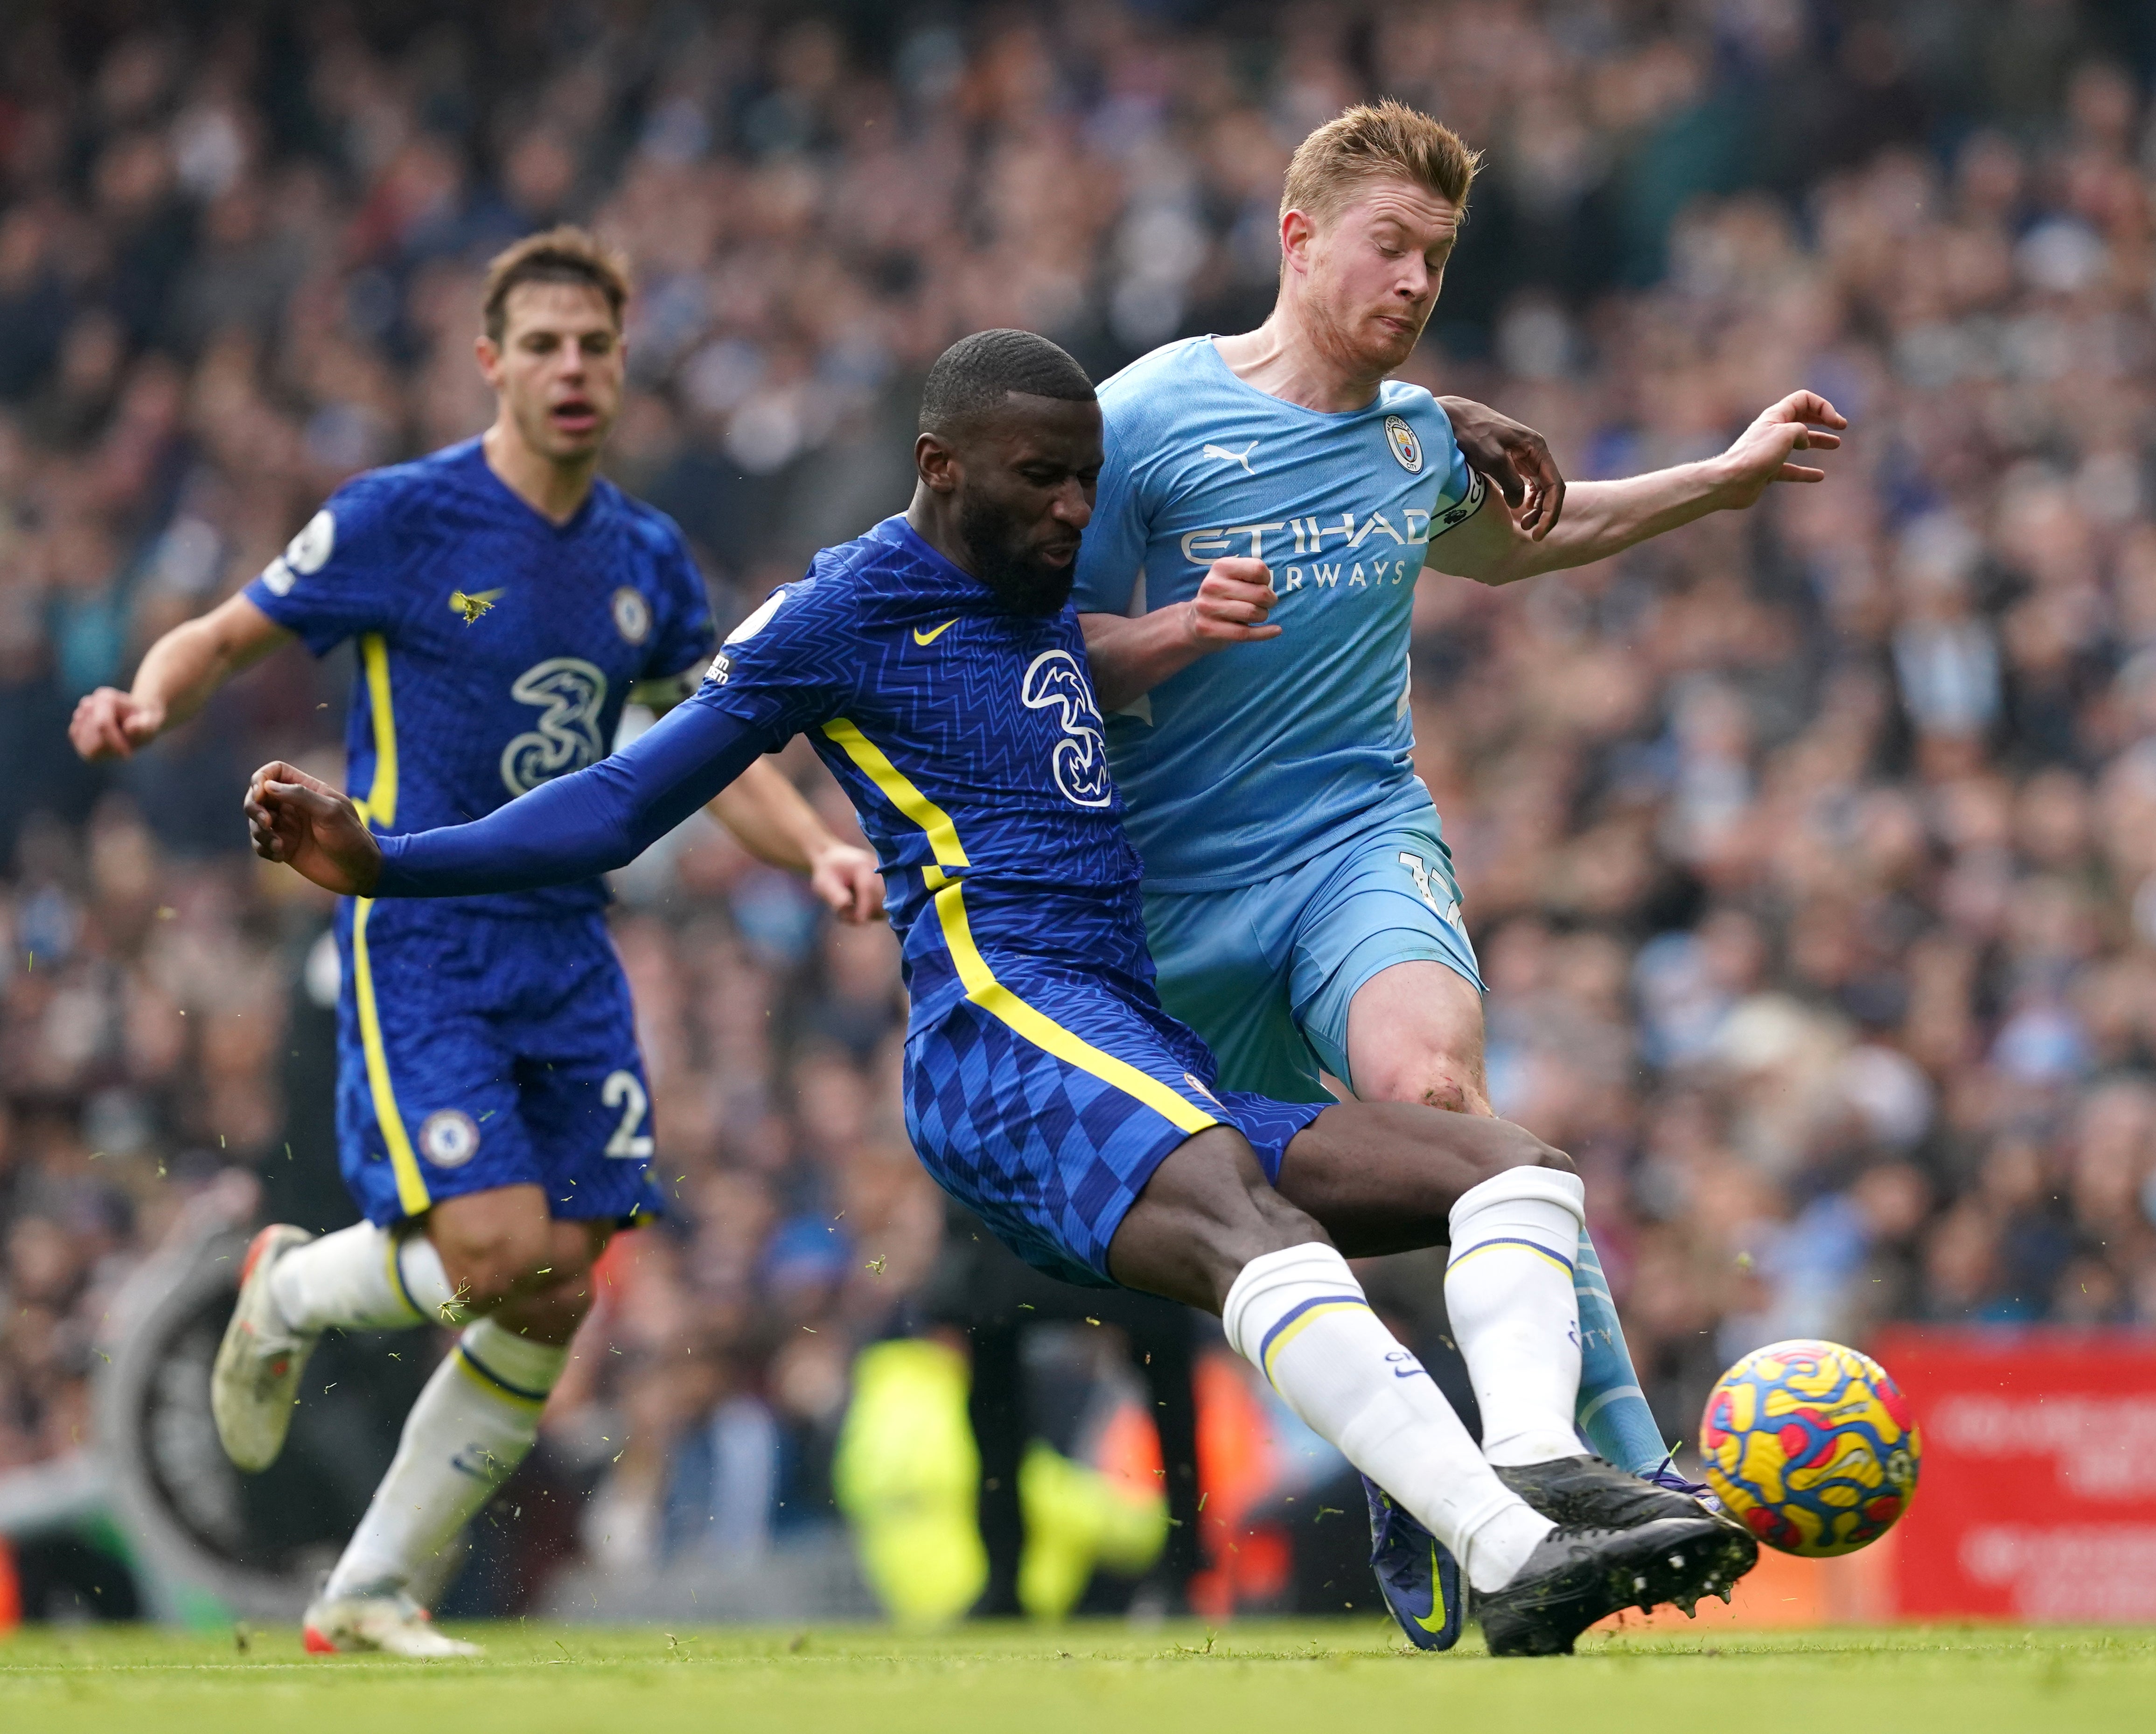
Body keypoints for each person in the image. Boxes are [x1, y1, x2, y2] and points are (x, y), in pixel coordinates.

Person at [240, 328, 1757, 1657]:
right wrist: (390, 862)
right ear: (937, 465)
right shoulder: (834, 616)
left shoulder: (1032, 598)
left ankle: (1534, 1474)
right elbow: (626, 801)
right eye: (1041, 479)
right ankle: (1512, 1558)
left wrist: (1434, 410)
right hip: (1001, 1041)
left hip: (1130, 1035)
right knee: (1249, 1218)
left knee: (1515, 1177)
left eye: (1086, 479)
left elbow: (1269, 378)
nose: (1074, 510)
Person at [1068, 101, 1844, 1642]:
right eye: (1390, 248)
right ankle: (1435, 1486)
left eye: (1436, 257)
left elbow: (1523, 543)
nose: (1418, 283)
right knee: (1318, 1224)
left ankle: (1600, 1480)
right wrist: (1166, 634)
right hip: (1168, 897)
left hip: (1357, 839)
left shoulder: (1418, 436)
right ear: (1297, 240)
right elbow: (1044, 649)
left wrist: (1720, 477)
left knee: (1439, 1104)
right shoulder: (1145, 420)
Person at [70, 228, 885, 1657]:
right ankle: (281, 1290)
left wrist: (814, 844)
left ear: (622, 363)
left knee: (557, 1285)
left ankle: (372, 1584)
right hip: (423, 929)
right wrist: (144, 705)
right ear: (491, 362)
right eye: (545, 345)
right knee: (495, 1245)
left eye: (596, 346)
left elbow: (716, 748)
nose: (572, 369)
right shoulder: (400, 519)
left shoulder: (642, 557)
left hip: (569, 944)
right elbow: (221, 633)